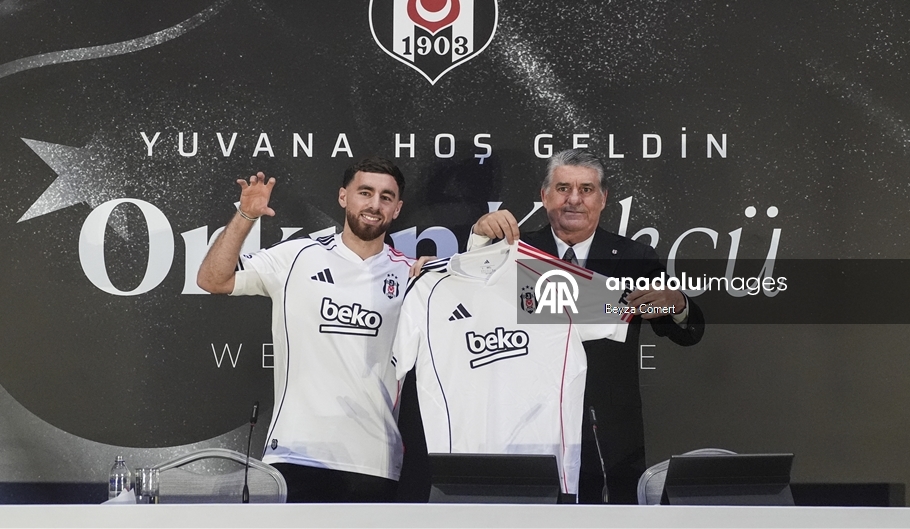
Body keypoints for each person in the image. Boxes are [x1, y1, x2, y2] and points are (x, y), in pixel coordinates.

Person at [468, 149, 705, 504]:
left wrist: (679, 304)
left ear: (603, 198)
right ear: (544, 195)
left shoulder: (634, 258)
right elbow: (470, 300)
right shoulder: (514, 252)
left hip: (608, 436)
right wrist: (478, 239)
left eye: (586, 189)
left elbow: (688, 333)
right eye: (563, 188)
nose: (574, 199)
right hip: (526, 427)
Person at [197, 157, 415, 502]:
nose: (375, 204)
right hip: (295, 454)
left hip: (375, 462)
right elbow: (212, 279)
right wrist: (246, 216)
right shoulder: (297, 256)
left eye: (386, 197)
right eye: (365, 192)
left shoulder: (412, 276)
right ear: (343, 197)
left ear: (397, 208)